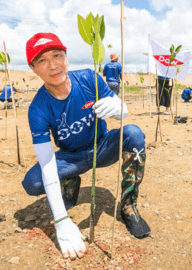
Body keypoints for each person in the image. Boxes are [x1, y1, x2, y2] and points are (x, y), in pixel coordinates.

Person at [21, 33, 150, 260]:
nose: (53, 65)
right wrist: (61, 221)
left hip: (102, 147)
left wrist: (120, 107)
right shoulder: (38, 109)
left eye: (57, 55)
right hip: (70, 157)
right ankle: (71, 181)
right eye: (42, 61)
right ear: (33, 68)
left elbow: (121, 109)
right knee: (33, 182)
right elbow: (46, 161)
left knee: (133, 134)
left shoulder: (89, 79)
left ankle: (129, 206)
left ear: (66, 58)